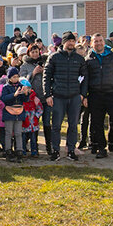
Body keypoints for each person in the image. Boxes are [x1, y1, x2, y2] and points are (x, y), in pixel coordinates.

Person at [85, 33, 113, 159]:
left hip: (112, 94)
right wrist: (85, 96)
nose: (98, 43)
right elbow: (85, 79)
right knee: (97, 123)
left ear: (104, 43)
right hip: (95, 95)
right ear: (91, 44)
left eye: (100, 41)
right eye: (96, 41)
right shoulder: (88, 59)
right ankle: (101, 148)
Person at [43, 31, 87, 161]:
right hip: (58, 96)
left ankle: (71, 150)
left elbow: (85, 78)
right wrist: (48, 95)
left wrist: (82, 95)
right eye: (69, 41)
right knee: (56, 125)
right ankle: (55, 150)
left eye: (73, 41)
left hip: (74, 96)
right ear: (63, 42)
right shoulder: (54, 57)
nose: (72, 43)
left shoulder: (79, 59)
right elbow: (47, 76)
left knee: (73, 125)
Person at [0, 67, 27, 162]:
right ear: (10, 78)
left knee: (18, 132)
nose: (16, 79)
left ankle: (19, 150)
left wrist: (25, 94)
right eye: (14, 77)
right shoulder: (6, 87)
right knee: (8, 132)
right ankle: (8, 150)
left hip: (19, 112)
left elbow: (25, 100)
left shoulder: (21, 85)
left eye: (17, 77)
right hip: (9, 112)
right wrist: (14, 95)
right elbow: (3, 98)